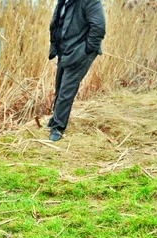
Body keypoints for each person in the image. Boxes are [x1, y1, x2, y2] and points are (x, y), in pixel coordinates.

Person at [48, 0, 106, 141]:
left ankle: (58, 127)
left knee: (66, 90)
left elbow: (99, 28)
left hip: (80, 52)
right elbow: (58, 23)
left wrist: (86, 51)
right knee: (60, 87)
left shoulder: (90, 1)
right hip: (65, 50)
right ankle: (55, 119)